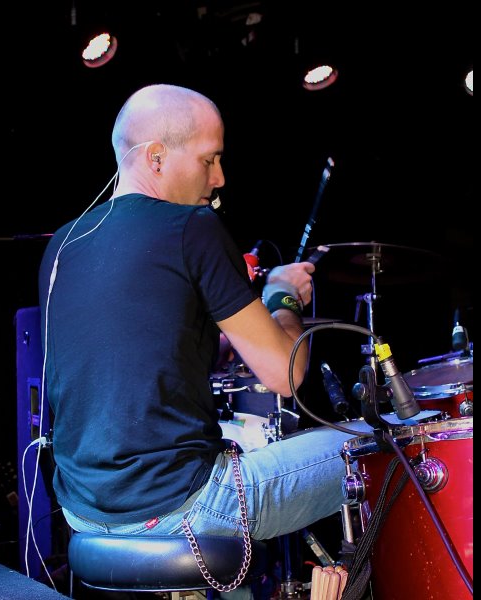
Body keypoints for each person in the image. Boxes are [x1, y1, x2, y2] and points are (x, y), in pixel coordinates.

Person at [38, 84, 370, 596]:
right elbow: (286, 374)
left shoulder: (62, 244)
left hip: (82, 514)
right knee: (389, 448)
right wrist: (282, 296)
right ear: (156, 157)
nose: (219, 178)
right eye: (209, 159)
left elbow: (146, 358)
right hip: (183, 507)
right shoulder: (193, 226)